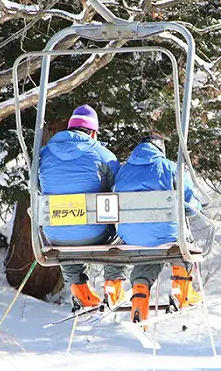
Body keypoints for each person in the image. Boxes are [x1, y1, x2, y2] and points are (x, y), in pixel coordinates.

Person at [39, 104, 127, 309]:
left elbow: (37, 184)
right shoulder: (102, 154)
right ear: (93, 132)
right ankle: (113, 286)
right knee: (122, 232)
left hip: (54, 233)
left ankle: (79, 289)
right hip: (94, 233)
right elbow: (119, 186)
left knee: (66, 232)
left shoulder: (44, 153)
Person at [113, 135, 202, 326]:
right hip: (166, 235)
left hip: (131, 236)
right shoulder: (170, 168)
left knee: (148, 255)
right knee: (181, 247)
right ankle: (181, 290)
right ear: (160, 149)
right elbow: (191, 203)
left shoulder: (123, 171)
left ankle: (139, 299)